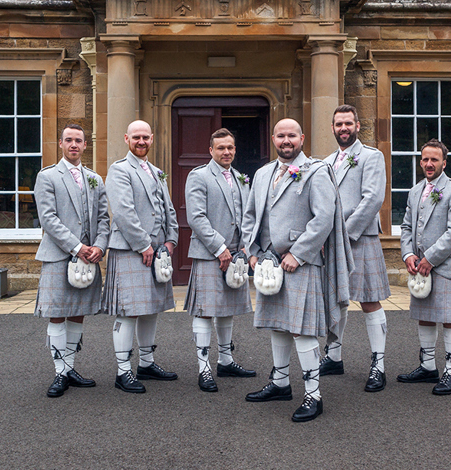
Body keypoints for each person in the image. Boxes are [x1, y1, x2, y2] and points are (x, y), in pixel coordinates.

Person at [241, 118, 351, 422]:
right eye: (280, 135)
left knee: (302, 329)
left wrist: (299, 254)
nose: (286, 140)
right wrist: (251, 253)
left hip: (301, 264)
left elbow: (324, 217)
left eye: (291, 135)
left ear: (302, 138)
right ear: (273, 139)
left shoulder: (316, 171)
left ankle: (313, 395)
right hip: (267, 264)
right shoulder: (263, 173)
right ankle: (280, 384)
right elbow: (250, 216)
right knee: (278, 324)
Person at [102, 120, 180, 394]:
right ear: (126, 138)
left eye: (145, 137)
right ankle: (123, 372)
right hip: (131, 250)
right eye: (136, 137)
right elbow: (123, 213)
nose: (141, 141)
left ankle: (146, 363)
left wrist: (171, 241)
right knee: (128, 310)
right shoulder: (119, 170)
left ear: (152, 138)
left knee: (149, 308)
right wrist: (144, 245)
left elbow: (169, 209)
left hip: (157, 251)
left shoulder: (157, 172)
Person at [33, 124, 110, 398]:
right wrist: (77, 247)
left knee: (78, 312)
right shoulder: (48, 176)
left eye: (78, 140)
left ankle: (70, 368)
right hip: (58, 256)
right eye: (69, 140)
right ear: (61, 143)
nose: (74, 144)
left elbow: (103, 218)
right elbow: (48, 219)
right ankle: (59, 373)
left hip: (88, 258)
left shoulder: (95, 179)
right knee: (57, 313)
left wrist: (100, 246)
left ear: (85, 145)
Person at [319, 104, 390, 393]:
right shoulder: (325, 162)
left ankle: (379, 365)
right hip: (330, 242)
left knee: (369, 300)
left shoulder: (371, 157)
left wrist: (343, 236)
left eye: (348, 123)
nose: (343, 128)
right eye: (339, 124)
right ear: (333, 128)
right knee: (335, 298)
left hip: (359, 238)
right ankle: (334, 356)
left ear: (358, 126)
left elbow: (372, 199)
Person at [184, 128, 257, 392]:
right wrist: (219, 247)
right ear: (211, 150)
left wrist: (247, 249)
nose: (226, 152)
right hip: (209, 253)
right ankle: (203, 368)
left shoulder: (240, 177)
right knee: (205, 310)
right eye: (221, 148)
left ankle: (225, 360)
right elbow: (196, 217)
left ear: (235, 150)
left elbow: (248, 218)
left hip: (236, 255)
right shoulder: (199, 176)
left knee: (227, 309)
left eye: (230, 148)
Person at [397, 138, 451, 396]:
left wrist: (429, 258)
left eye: (434, 160)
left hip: (446, 266)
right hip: (420, 268)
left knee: (450, 319)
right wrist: (408, 254)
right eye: (425, 159)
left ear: (444, 162)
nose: (429, 164)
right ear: (421, 161)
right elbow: (406, 226)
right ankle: (427, 366)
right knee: (425, 316)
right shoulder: (415, 190)